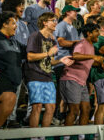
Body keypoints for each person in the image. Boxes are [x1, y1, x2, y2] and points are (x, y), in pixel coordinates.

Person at [24, 12, 73, 140]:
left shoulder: (51, 39)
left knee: (51, 107)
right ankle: (34, 137)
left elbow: (49, 61)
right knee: (37, 106)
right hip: (34, 75)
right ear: (45, 22)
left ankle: (43, 136)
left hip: (47, 75)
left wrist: (60, 60)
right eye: (53, 20)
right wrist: (48, 53)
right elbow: (30, 56)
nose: (56, 22)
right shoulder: (35, 36)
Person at [60, 23, 104, 140]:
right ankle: (66, 137)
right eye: (96, 31)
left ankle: (81, 136)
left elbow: (89, 61)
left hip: (82, 82)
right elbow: (76, 56)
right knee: (74, 110)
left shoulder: (91, 46)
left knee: (86, 109)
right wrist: (93, 57)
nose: (98, 34)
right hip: (71, 79)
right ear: (89, 33)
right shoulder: (82, 43)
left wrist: (99, 63)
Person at [1, 0, 29, 128]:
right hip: (7, 63)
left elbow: (27, 45)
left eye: (23, 5)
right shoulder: (4, 22)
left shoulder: (23, 25)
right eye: (19, 5)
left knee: (17, 93)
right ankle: (2, 119)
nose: (22, 7)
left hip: (20, 63)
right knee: (7, 93)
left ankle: (11, 118)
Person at [53, 5, 81, 125]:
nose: (76, 14)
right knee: (62, 90)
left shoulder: (73, 28)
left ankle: (63, 115)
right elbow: (61, 41)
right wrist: (77, 43)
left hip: (71, 62)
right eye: (75, 11)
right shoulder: (61, 25)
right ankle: (56, 115)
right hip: (61, 60)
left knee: (68, 91)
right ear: (67, 12)